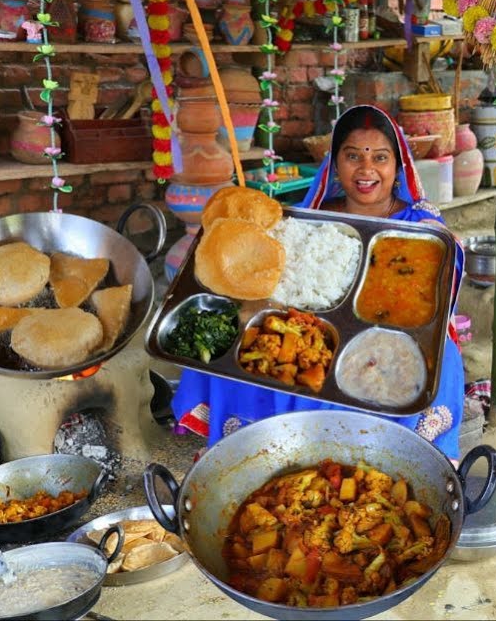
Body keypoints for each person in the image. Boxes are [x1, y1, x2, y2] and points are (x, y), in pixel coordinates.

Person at [173, 105, 466, 460]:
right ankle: (261, 451)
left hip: (392, 329)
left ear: (398, 166)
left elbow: (442, 284)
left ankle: (393, 457)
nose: (366, 169)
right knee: (237, 347)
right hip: (312, 317)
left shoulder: (421, 223)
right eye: (353, 156)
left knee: (441, 360)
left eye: (380, 157)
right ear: (334, 163)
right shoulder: (309, 215)